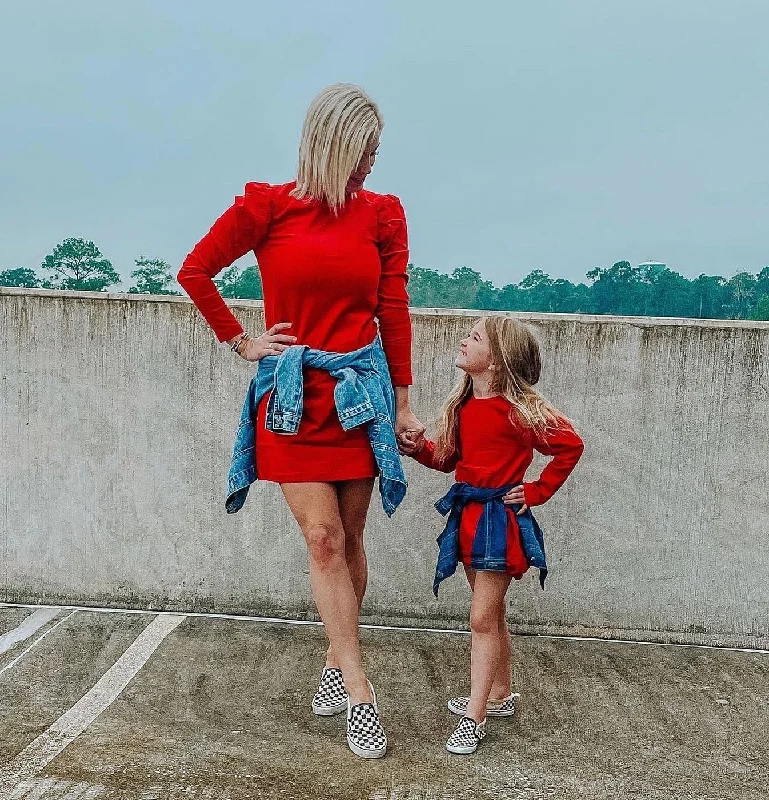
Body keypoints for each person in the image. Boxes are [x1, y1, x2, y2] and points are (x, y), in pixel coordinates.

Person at [178, 83, 424, 759]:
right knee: (321, 539)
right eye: (363, 149)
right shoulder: (267, 206)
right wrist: (241, 340)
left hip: (357, 398)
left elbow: (392, 308)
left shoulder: (382, 214)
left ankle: (332, 659)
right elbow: (195, 271)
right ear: (334, 143)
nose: (371, 162)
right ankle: (359, 691)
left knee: (347, 536)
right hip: (289, 401)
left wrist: (402, 399)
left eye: (376, 151)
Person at [398, 315, 583, 754]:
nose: (464, 340)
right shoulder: (463, 407)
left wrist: (537, 491)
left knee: (481, 617)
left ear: (497, 361)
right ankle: (499, 694)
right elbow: (449, 460)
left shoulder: (519, 411)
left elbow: (570, 444)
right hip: (466, 518)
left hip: (500, 522)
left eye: (475, 338)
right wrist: (419, 448)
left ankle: (475, 715)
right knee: (491, 614)